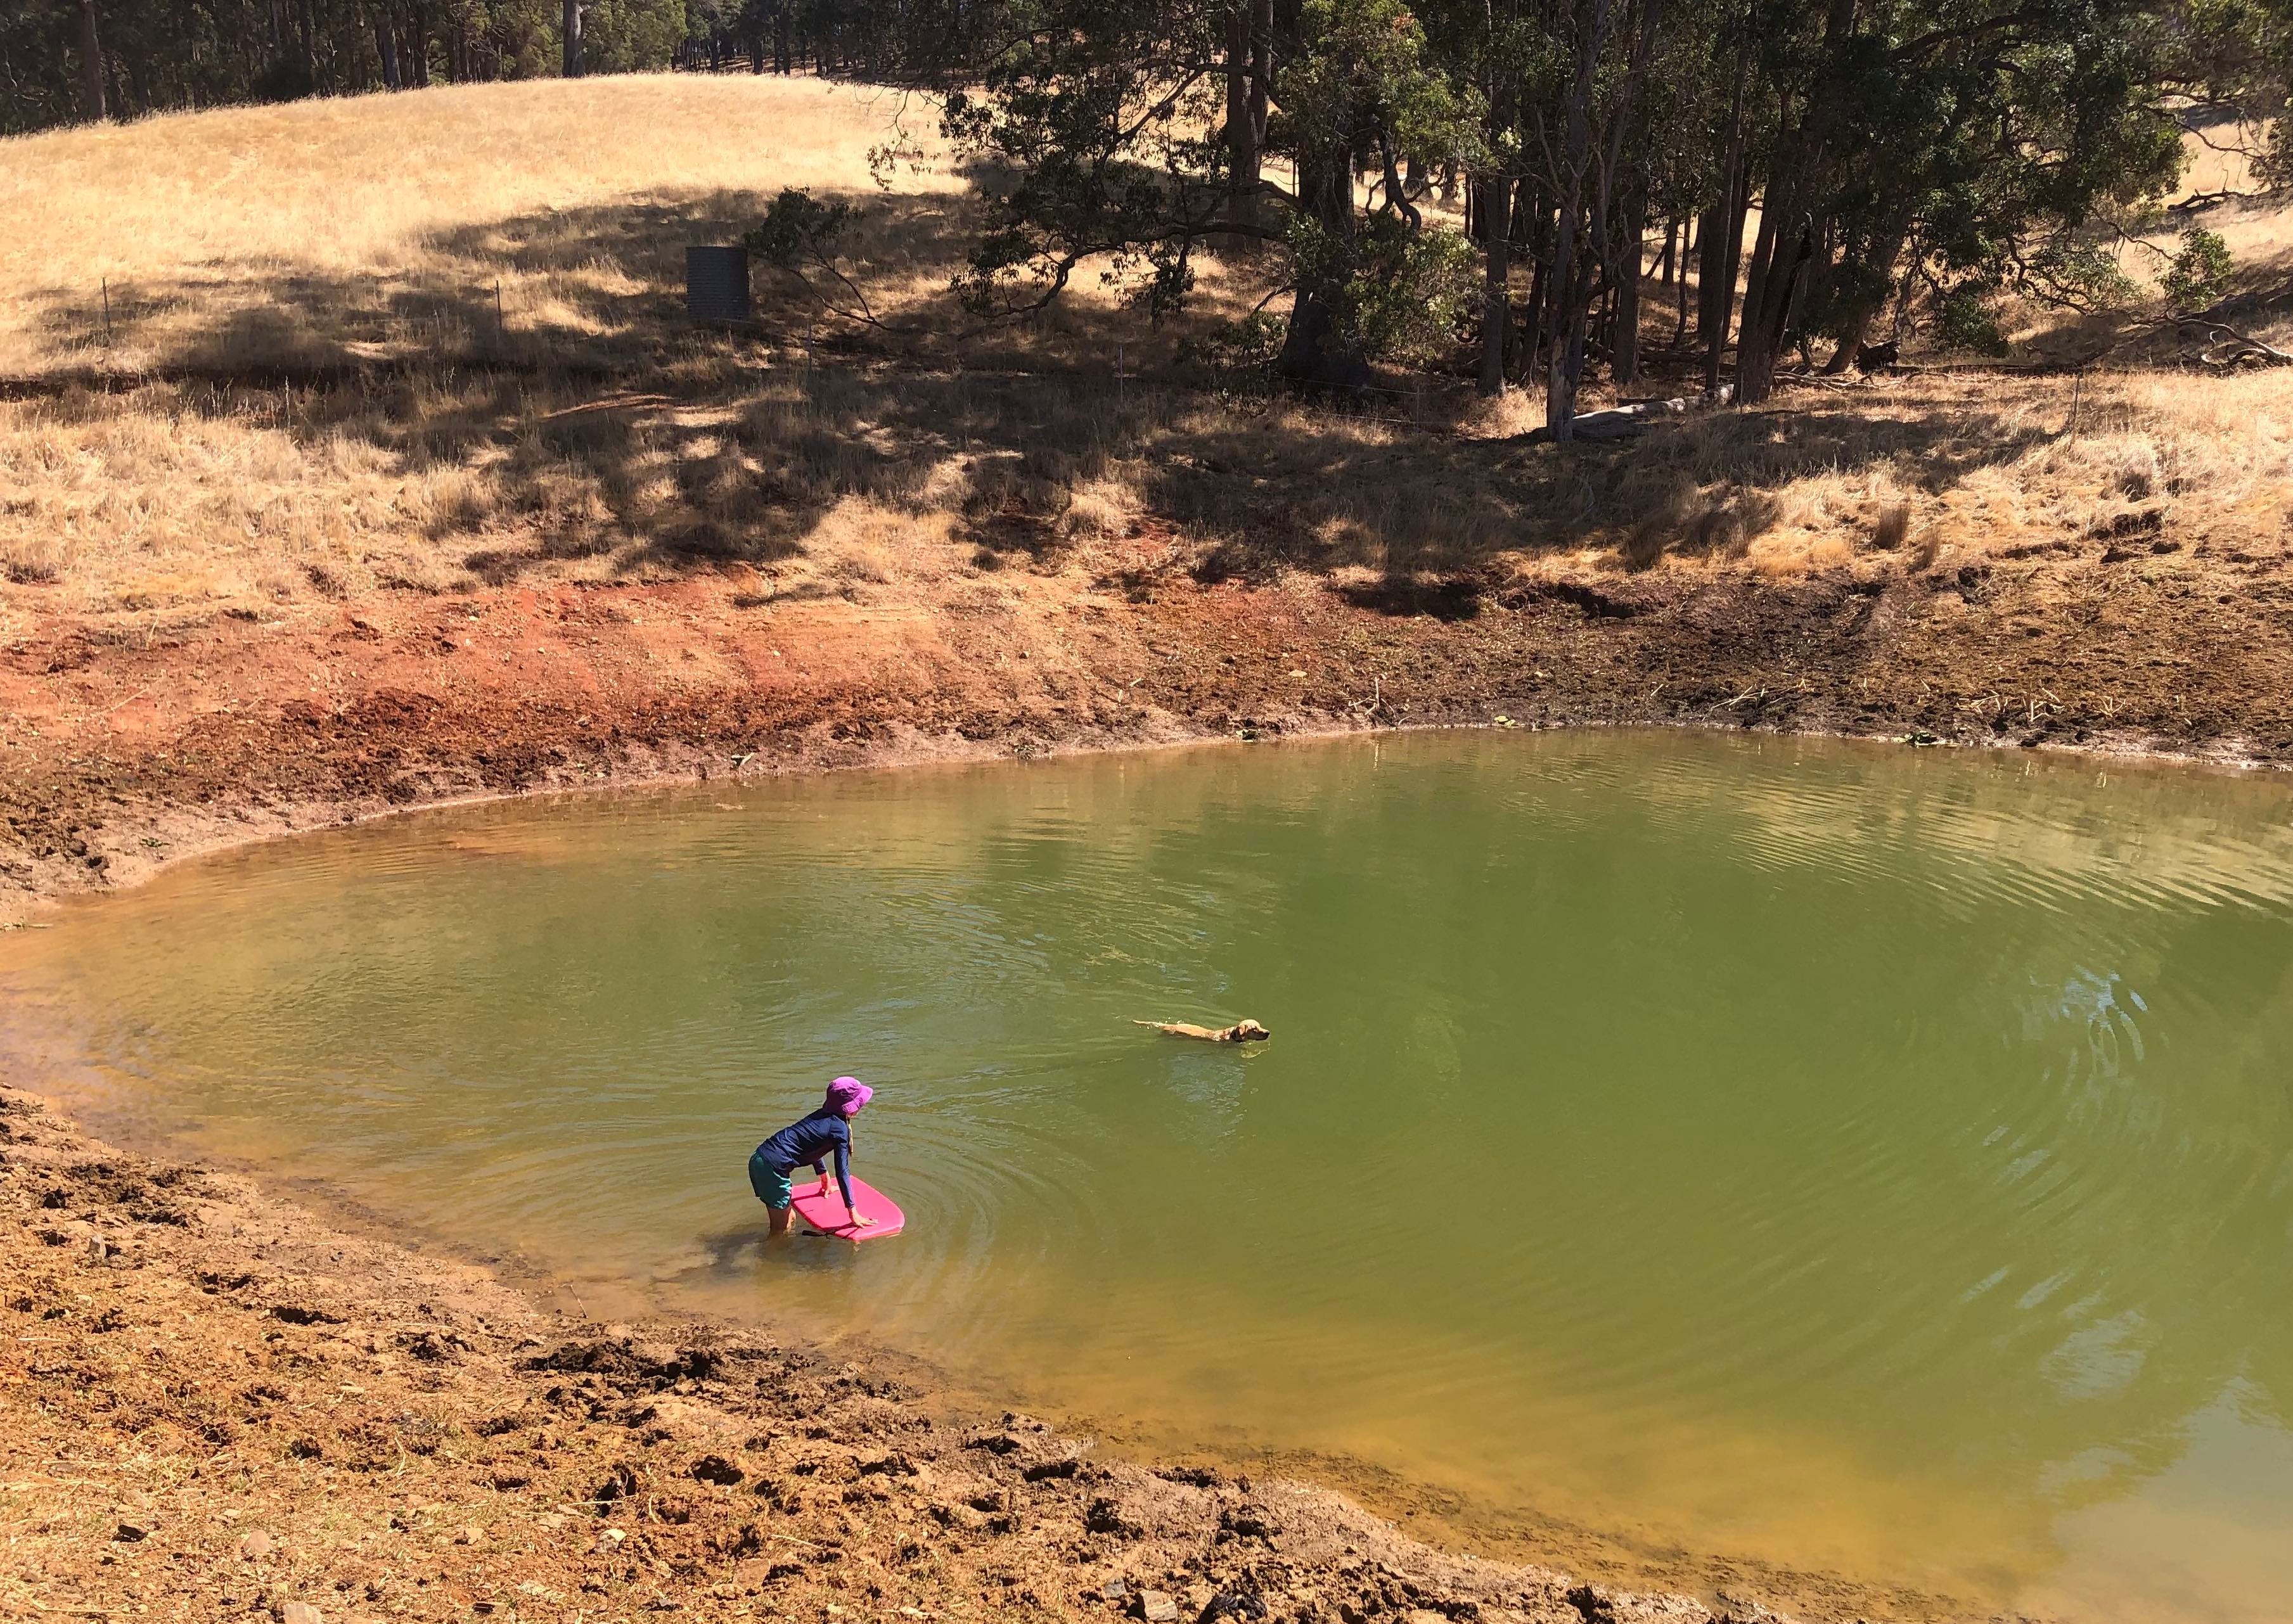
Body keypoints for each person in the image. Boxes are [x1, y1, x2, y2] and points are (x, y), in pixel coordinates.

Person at [750, 1077, 875, 1236]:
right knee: (780, 1231)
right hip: (772, 1168)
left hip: (762, 1159)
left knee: (790, 1219)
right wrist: (853, 1212)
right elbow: (843, 1171)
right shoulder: (840, 1130)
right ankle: (757, 1256)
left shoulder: (821, 1115)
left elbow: (811, 1146)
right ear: (852, 1106)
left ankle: (775, 1255)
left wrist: (824, 1177)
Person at [1133, 1018, 1270, 1043]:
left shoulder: (1236, 1035)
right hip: (1178, 1033)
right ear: (1243, 1033)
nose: (1263, 1031)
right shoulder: (1225, 1042)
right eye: (1255, 1030)